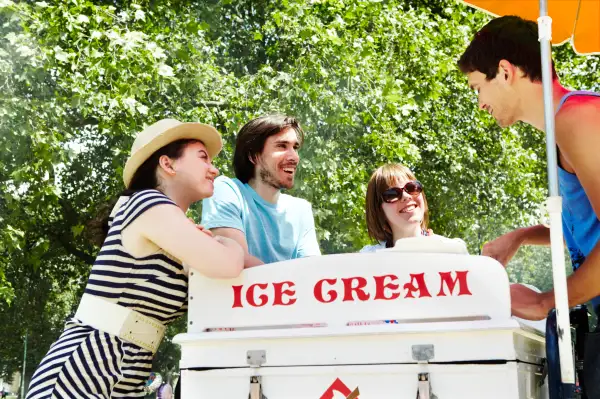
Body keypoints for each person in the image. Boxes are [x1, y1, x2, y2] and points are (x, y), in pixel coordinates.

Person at [26, 119, 244, 398]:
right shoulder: (147, 203)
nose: (214, 169)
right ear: (168, 164)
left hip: (128, 371)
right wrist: (226, 241)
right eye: (203, 158)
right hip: (85, 367)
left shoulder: (173, 228)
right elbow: (229, 264)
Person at [459, 15, 600, 394]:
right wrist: (522, 236)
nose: (480, 103)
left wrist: (544, 302)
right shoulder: (563, 127)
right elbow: (590, 226)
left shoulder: (578, 118)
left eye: (478, 87)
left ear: (504, 72)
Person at [201, 114, 321, 267]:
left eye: (295, 147)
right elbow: (236, 261)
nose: (294, 157)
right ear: (253, 156)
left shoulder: (301, 209)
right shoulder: (227, 190)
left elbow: (312, 271)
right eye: (282, 146)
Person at [360, 163, 433, 253]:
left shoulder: (450, 252)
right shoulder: (368, 259)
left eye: (411, 187)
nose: (406, 196)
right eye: (392, 194)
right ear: (379, 211)